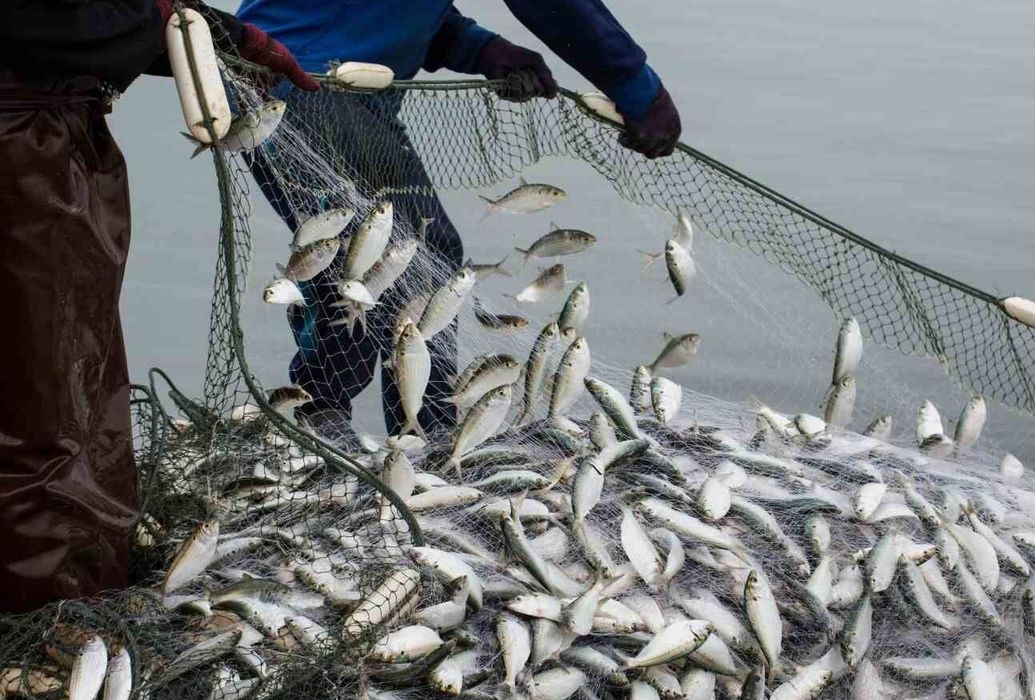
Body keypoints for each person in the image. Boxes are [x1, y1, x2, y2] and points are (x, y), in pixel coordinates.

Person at [237, 0, 682, 444]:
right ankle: (326, 417)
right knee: (372, 253)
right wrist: (639, 90)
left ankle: (422, 433)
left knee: (422, 253)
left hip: (336, 89)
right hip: (298, 83)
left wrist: (477, 48)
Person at [0, 0, 314, 615]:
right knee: (48, 396)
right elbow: (46, 20)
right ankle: (51, 613)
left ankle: (65, 586)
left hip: (42, 137)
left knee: (58, 378)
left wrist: (211, 34)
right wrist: (177, 21)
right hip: (24, 152)